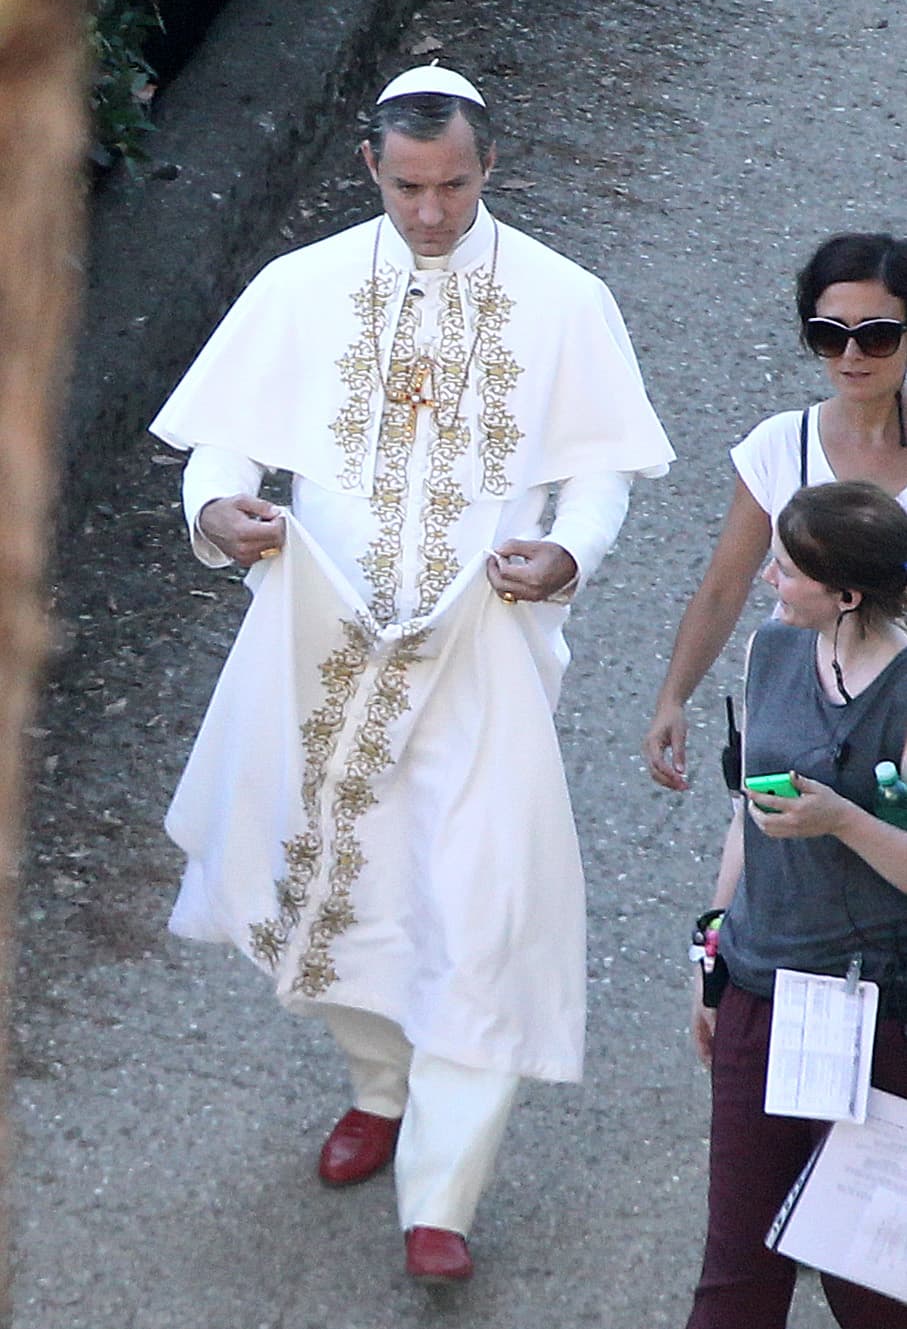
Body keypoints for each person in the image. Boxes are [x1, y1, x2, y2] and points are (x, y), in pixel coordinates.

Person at [148, 64, 674, 1283]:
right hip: (317, 644)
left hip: (481, 648)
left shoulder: (562, 297)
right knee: (328, 874)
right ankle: (379, 1086)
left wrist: (571, 552)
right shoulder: (302, 285)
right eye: (406, 187)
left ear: (490, 166)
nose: (430, 212)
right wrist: (217, 507)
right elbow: (228, 438)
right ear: (370, 169)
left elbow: (597, 472)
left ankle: (442, 1194)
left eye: (452, 186)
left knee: (481, 907)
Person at [686, 480, 907, 1329]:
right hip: (758, 988)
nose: (769, 575)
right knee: (735, 1272)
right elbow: (749, 807)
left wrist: (841, 819)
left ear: (846, 594)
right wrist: (711, 947)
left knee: (870, 1276)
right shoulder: (770, 652)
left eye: (788, 568)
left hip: (873, 1011)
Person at [644, 232, 907, 791]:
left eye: (878, 336)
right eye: (829, 336)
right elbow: (724, 586)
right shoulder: (778, 445)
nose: (852, 355)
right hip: (797, 712)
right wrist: (673, 698)